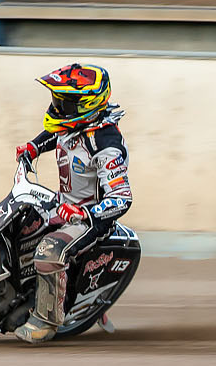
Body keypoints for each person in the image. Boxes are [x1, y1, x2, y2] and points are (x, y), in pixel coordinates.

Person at [11, 63, 131, 343]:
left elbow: (121, 198)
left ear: (88, 104)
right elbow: (57, 134)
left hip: (90, 219)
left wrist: (84, 213)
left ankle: (46, 321)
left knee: (48, 250)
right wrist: (33, 146)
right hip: (62, 204)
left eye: (64, 103)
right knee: (19, 225)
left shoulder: (105, 143)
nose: (57, 108)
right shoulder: (75, 123)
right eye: (57, 100)